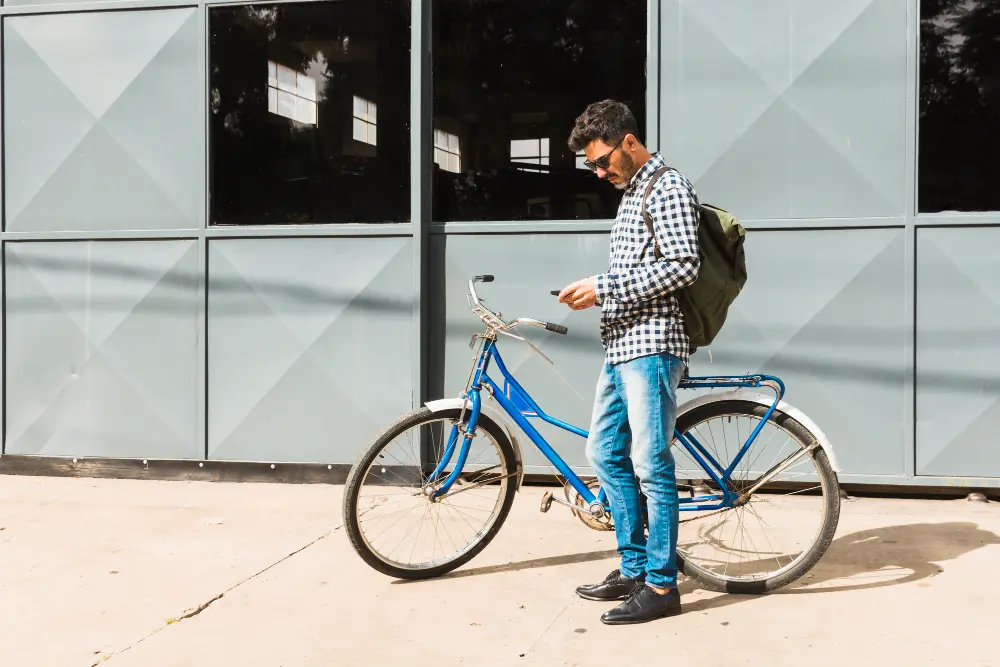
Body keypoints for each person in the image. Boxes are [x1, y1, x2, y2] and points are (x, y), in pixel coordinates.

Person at [557, 99, 701, 625]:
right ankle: (635, 565)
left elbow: (684, 266)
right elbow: (641, 268)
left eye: (602, 161)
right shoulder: (633, 191)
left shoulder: (667, 187)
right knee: (603, 453)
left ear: (629, 142)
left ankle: (662, 587)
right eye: (592, 165)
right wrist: (599, 290)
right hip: (621, 345)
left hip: (653, 345)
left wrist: (603, 287)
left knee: (651, 466)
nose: (599, 172)